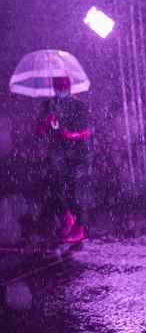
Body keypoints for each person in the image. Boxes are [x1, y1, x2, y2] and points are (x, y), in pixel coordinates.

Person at [35, 76, 91, 243]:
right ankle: (68, 217)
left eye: (64, 86)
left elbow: (87, 131)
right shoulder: (48, 105)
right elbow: (38, 131)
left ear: (69, 86)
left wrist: (72, 135)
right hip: (56, 153)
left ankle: (80, 227)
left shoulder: (77, 105)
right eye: (58, 86)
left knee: (71, 188)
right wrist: (46, 123)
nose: (61, 89)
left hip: (75, 152)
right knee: (51, 187)